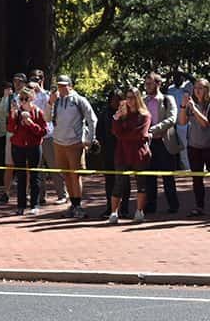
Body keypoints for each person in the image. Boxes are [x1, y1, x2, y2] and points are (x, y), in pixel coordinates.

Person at [48, 74, 97, 219]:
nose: (61, 88)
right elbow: (47, 119)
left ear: (70, 85)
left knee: (75, 175)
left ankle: (79, 206)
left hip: (75, 142)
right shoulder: (56, 101)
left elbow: (92, 118)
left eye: (64, 85)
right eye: (59, 85)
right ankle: (73, 204)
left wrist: (90, 138)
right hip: (58, 142)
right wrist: (50, 103)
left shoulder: (79, 100)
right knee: (66, 175)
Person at [108, 88, 153, 224]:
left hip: (139, 153)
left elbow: (139, 134)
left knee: (141, 183)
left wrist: (123, 134)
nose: (130, 100)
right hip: (122, 153)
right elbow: (115, 132)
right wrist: (116, 118)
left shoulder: (144, 115)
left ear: (138, 98)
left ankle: (139, 211)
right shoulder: (122, 115)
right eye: (128, 97)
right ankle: (114, 212)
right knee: (119, 183)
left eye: (133, 97)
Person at [143, 72, 181, 215]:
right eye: (146, 84)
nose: (147, 86)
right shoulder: (144, 101)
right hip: (149, 143)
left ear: (158, 84)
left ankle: (173, 205)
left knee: (168, 177)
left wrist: (154, 129)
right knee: (149, 177)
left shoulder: (167, 99)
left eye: (150, 83)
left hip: (165, 143)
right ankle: (151, 206)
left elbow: (172, 119)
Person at [30, 70, 68, 206]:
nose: (35, 81)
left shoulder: (47, 94)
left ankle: (62, 194)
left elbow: (52, 102)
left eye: (38, 78)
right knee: (38, 168)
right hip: (34, 136)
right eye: (33, 78)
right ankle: (41, 196)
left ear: (43, 79)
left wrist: (40, 89)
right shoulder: (29, 95)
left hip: (48, 135)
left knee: (54, 166)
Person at [7, 87, 47, 215]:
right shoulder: (17, 112)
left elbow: (43, 132)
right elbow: (10, 129)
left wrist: (31, 124)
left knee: (35, 175)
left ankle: (35, 205)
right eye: (21, 99)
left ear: (32, 99)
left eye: (26, 99)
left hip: (33, 146)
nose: (23, 101)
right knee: (21, 176)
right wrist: (13, 115)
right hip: (18, 146)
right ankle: (20, 205)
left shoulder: (38, 112)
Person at [95, 89, 130, 219]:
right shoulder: (104, 113)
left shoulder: (127, 113)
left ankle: (124, 208)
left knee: (124, 180)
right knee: (109, 180)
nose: (115, 102)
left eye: (118, 99)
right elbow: (99, 132)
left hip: (123, 150)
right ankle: (110, 207)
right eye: (113, 99)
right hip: (108, 152)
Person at [179, 78, 210, 216]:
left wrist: (194, 109)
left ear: (207, 90)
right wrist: (184, 106)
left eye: (201, 88)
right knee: (197, 179)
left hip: (208, 146)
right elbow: (182, 121)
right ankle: (199, 207)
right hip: (193, 146)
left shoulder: (209, 105)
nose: (197, 90)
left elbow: (205, 123)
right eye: (196, 88)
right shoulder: (192, 104)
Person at [0, 74, 28, 204]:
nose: (17, 84)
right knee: (9, 165)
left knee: (25, 166)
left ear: (24, 83)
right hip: (11, 134)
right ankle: (6, 192)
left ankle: (25, 193)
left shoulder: (29, 97)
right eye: (15, 81)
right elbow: (1, 113)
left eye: (20, 82)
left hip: (25, 134)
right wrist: (5, 97)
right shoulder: (9, 97)